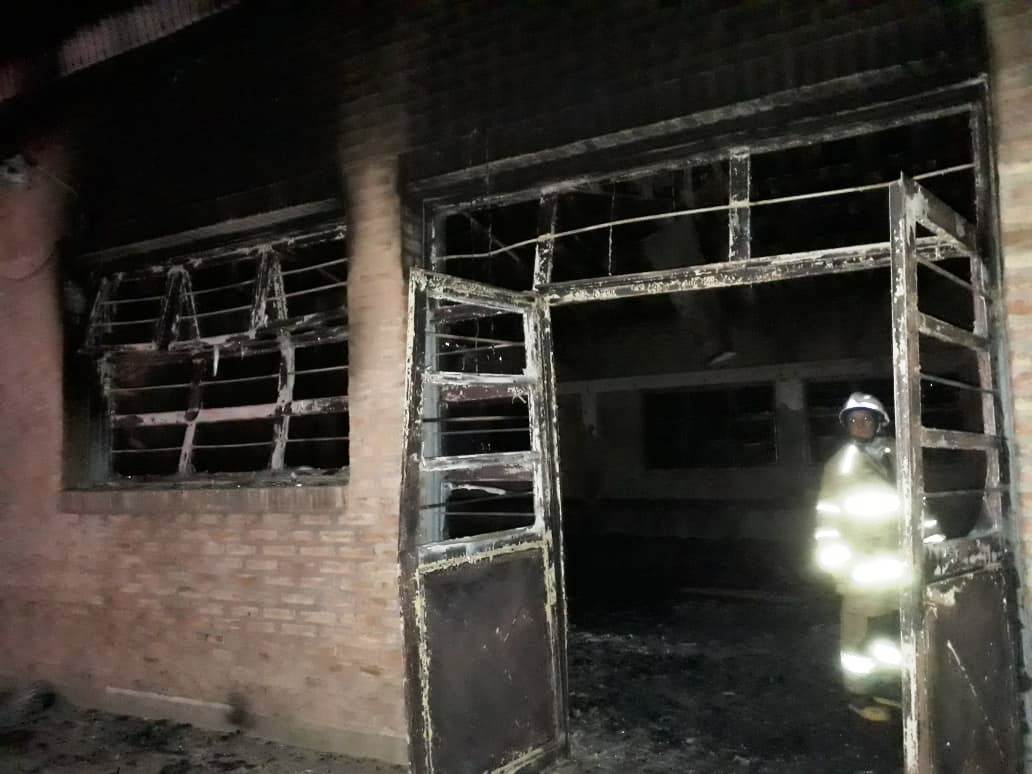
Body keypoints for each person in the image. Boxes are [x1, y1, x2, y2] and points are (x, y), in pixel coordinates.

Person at [812, 392, 942, 722]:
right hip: (861, 568)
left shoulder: (900, 456)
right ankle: (858, 694)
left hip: (899, 565)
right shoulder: (839, 465)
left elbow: (918, 505)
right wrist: (838, 567)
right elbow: (828, 517)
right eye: (853, 420)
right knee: (858, 634)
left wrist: (935, 543)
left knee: (892, 632)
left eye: (866, 419)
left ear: (879, 423)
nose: (859, 425)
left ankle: (889, 687)